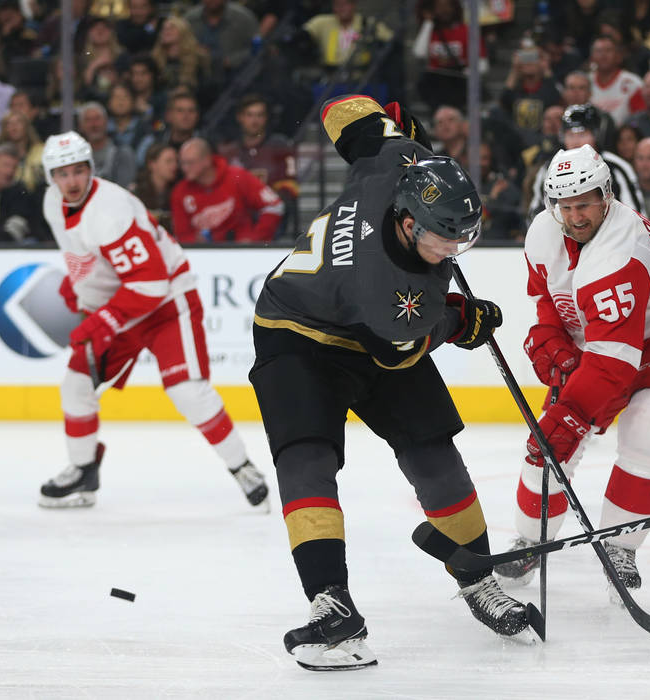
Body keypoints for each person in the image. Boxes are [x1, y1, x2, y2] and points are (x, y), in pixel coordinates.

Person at [249, 94, 528, 670]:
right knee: (307, 456)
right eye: (443, 239)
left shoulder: (394, 164)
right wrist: (461, 321)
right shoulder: (398, 296)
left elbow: (340, 109)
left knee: (433, 452)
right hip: (296, 332)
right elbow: (399, 353)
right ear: (407, 221)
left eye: (464, 238)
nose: (454, 250)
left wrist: (401, 137)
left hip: (366, 320)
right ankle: (332, 604)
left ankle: (476, 578)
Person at [493, 143, 650, 592]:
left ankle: (620, 543)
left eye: (585, 204)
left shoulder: (619, 253)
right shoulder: (543, 232)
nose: (576, 216)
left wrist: (572, 415)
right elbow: (548, 298)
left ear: (606, 196)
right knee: (547, 443)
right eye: (565, 206)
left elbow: (613, 368)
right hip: (604, 338)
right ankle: (529, 538)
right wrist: (550, 336)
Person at [37, 131, 268, 509]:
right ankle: (83, 470)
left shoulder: (108, 211)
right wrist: (79, 285)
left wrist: (102, 320)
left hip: (166, 304)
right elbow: (90, 256)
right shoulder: (52, 203)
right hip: (122, 305)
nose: (72, 181)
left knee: (187, 390)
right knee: (76, 384)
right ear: (50, 178)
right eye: (62, 174)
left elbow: (152, 282)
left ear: (91, 169)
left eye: (79, 171)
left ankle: (242, 467)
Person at [527, 103, 643, 219]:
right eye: (570, 135)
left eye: (582, 134)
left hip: (611, 234)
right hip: (561, 233)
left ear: (596, 135)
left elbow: (634, 214)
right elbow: (536, 213)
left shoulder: (616, 167)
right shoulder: (550, 169)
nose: (576, 141)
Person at [217, 93, 298, 240]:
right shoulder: (229, 152)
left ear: (266, 118)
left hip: (273, 218)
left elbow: (290, 187)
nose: (254, 121)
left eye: (259, 115)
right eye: (249, 115)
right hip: (237, 220)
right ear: (240, 117)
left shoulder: (279, 146)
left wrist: (267, 203)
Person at [171, 137, 283, 243]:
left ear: (206, 160)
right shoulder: (180, 191)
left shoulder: (236, 177)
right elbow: (182, 235)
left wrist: (255, 239)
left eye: (190, 162)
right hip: (204, 256)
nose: (184, 168)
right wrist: (195, 241)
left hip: (242, 254)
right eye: (182, 163)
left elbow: (275, 205)